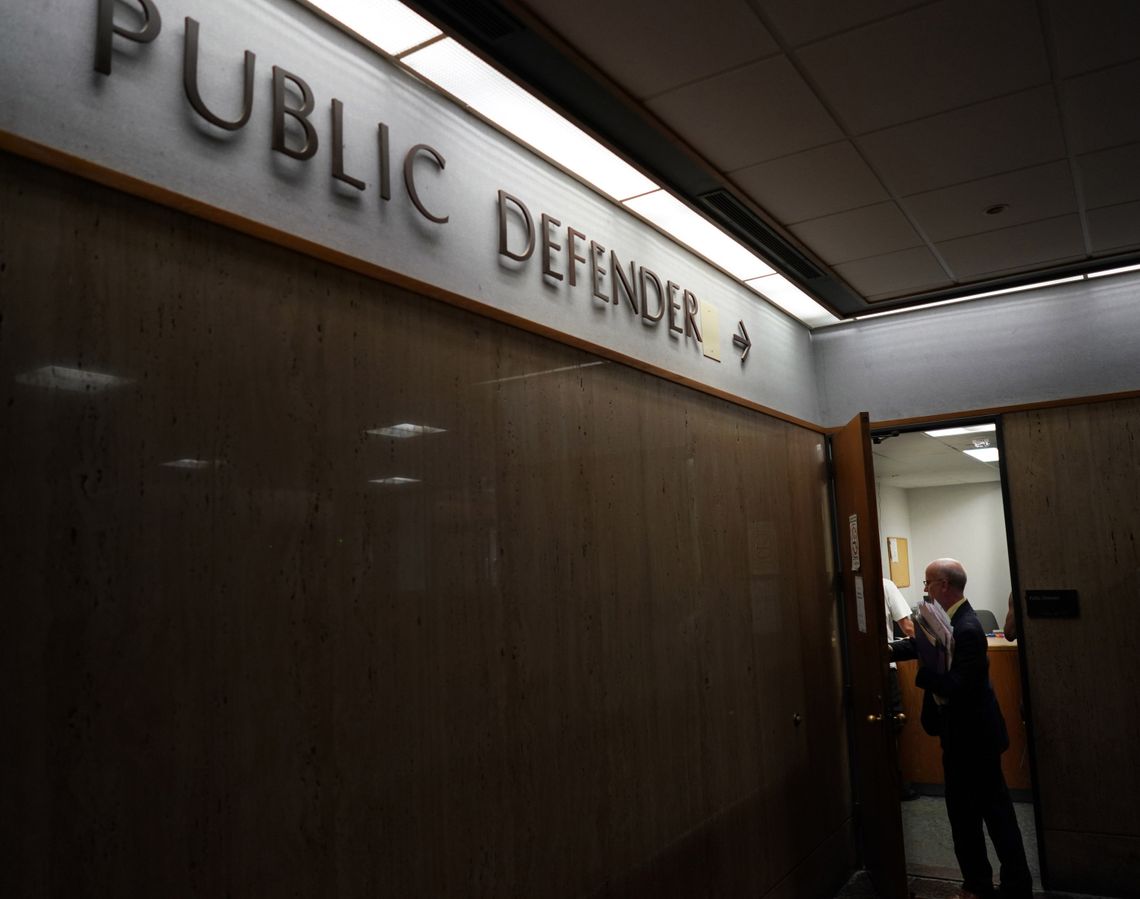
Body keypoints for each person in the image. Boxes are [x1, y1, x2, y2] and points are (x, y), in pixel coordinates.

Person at [889, 559, 1032, 899]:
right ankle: (979, 885)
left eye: (927, 583)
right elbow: (921, 645)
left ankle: (1011, 887)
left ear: (942, 585)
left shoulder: (967, 628)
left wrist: (923, 676)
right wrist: (885, 650)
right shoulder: (945, 620)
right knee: (967, 818)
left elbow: (957, 685)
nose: (923, 590)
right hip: (961, 737)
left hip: (975, 739)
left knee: (991, 817)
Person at [883, 578, 917, 800]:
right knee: (893, 724)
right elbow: (908, 628)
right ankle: (895, 785)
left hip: (857, 669)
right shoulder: (885, 585)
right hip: (886, 666)